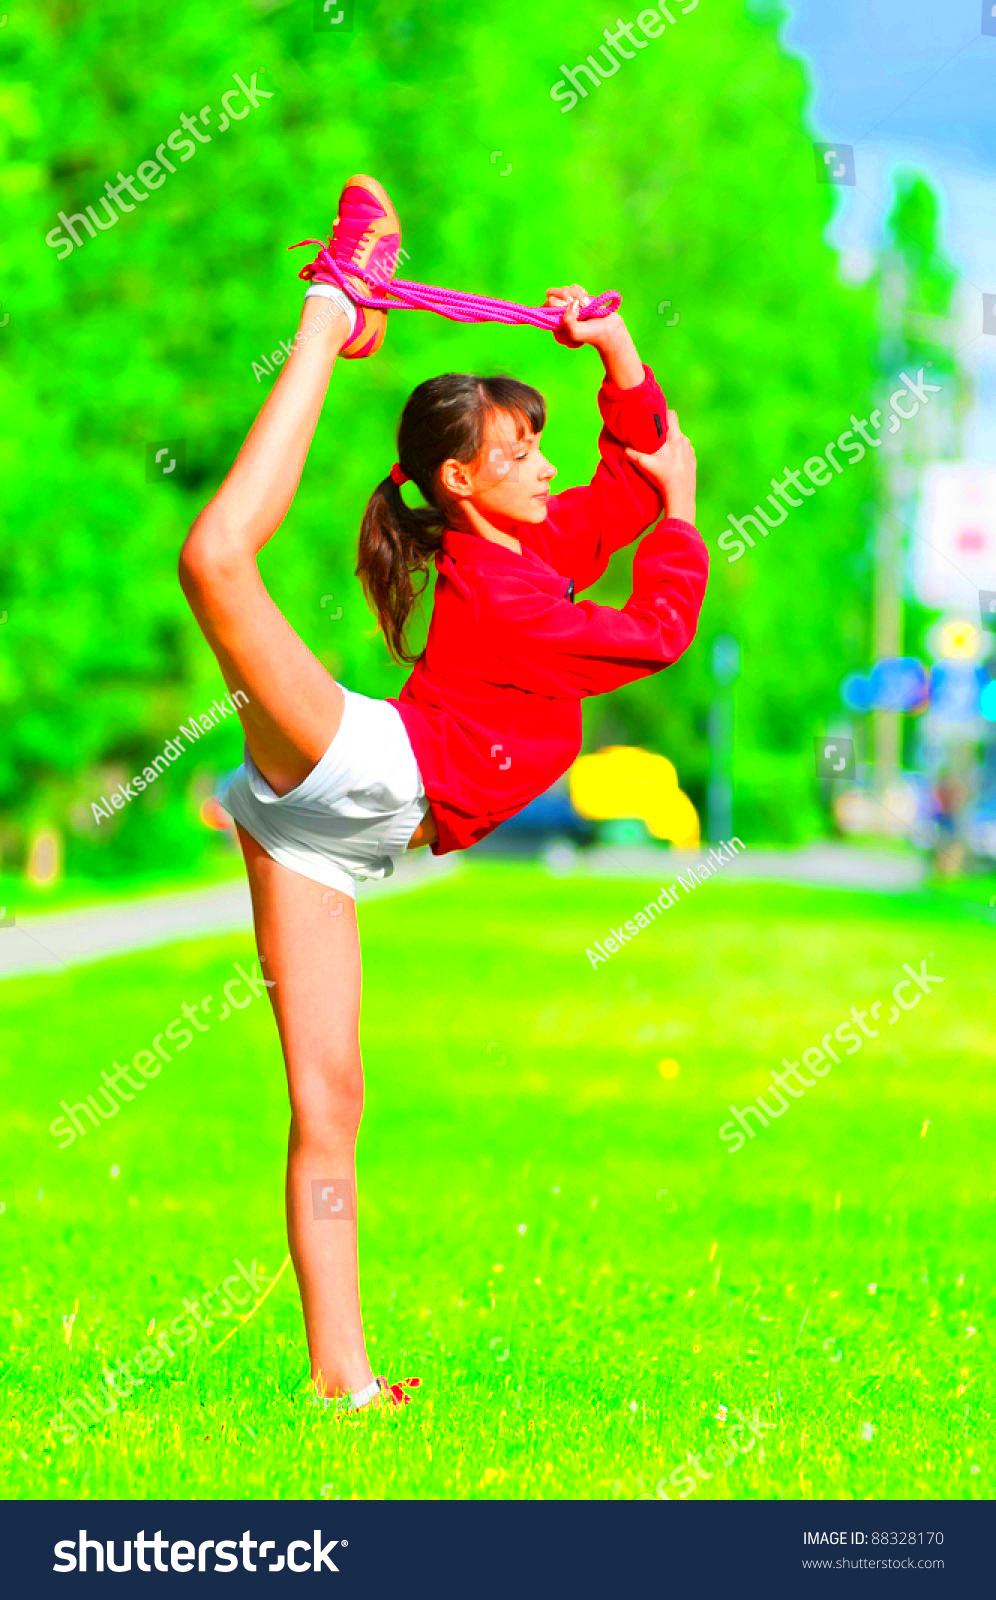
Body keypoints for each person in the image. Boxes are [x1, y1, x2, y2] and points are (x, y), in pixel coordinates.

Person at [178, 175, 708, 1415]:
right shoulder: (507, 591)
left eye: (540, 446)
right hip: (371, 769)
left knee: (331, 1102)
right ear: (463, 483)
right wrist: (681, 516)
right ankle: (331, 309)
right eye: (523, 452)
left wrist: (614, 344)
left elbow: (633, 468)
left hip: (342, 844)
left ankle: (341, 1383)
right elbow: (657, 627)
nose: (547, 464)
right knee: (214, 561)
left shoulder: (535, 540)